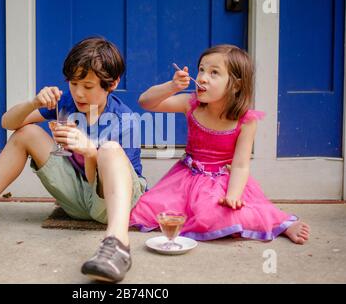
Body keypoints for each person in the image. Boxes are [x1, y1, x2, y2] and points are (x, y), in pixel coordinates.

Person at [0, 36, 147, 283]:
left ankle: (117, 244)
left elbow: (106, 189)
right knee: (26, 132)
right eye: (73, 82)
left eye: (88, 86)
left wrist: (90, 152)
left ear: (111, 84)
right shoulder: (66, 103)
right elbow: (7, 123)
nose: (78, 92)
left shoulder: (125, 120)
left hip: (114, 204)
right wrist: (34, 103)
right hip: (79, 197)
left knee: (109, 149)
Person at [130, 45, 310, 244]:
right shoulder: (189, 104)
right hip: (185, 179)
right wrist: (171, 86)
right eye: (201, 70)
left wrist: (232, 195)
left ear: (236, 85)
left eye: (214, 73)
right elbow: (145, 102)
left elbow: (241, 165)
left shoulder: (245, 121)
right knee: (147, 207)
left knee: (215, 214)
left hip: (224, 182)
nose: (202, 77)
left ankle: (284, 223)